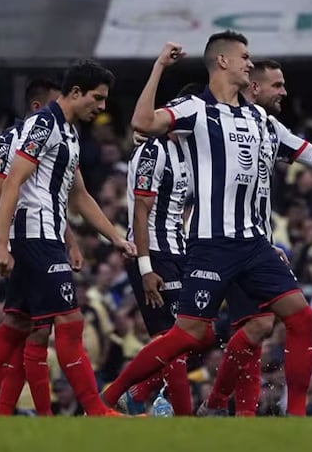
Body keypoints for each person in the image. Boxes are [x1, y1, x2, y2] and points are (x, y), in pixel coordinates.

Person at [106, 33, 312, 417]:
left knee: (299, 315)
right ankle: (111, 397)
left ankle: (295, 417)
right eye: (244, 56)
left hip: (254, 244)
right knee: (190, 333)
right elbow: (142, 122)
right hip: (212, 243)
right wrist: (159, 66)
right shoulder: (195, 109)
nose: (249, 63)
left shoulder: (258, 117)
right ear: (223, 61)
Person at [0, 60, 134, 418]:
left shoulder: (68, 132)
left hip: (47, 235)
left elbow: (79, 196)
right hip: (34, 236)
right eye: (98, 98)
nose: (102, 107)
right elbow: (11, 183)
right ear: (75, 92)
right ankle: (96, 411)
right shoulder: (43, 124)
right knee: (69, 322)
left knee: (19, 325)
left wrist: (114, 237)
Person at [200, 59, 312, 416]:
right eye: (277, 85)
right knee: (235, 328)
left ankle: (256, 411)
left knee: (283, 321)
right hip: (222, 241)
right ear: (255, 87)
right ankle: (135, 395)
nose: (284, 91)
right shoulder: (217, 120)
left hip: (256, 246)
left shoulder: (268, 126)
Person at [116, 82, 203, 417]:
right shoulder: (153, 151)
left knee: (194, 334)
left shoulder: (186, 152)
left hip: (178, 252)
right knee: (172, 340)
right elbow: (141, 211)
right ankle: (181, 417)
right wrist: (145, 268)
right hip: (152, 253)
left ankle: (139, 391)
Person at [0, 78, 64, 417]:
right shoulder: (9, 139)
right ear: (37, 107)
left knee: (26, 326)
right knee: (33, 326)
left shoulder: (62, 136)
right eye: (57, 103)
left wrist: (71, 242)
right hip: (25, 243)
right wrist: (0, 247)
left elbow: (61, 196)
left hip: (47, 238)